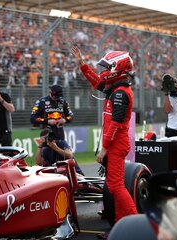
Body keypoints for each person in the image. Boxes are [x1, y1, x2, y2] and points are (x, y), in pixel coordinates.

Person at [71, 46, 138, 224]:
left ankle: (137, 223)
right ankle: (120, 225)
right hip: (116, 143)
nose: (105, 71)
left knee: (116, 186)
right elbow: (97, 83)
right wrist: (83, 66)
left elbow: (116, 125)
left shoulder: (120, 93)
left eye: (108, 68)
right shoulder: (116, 89)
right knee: (115, 186)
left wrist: (105, 148)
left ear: (117, 68)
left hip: (116, 144)